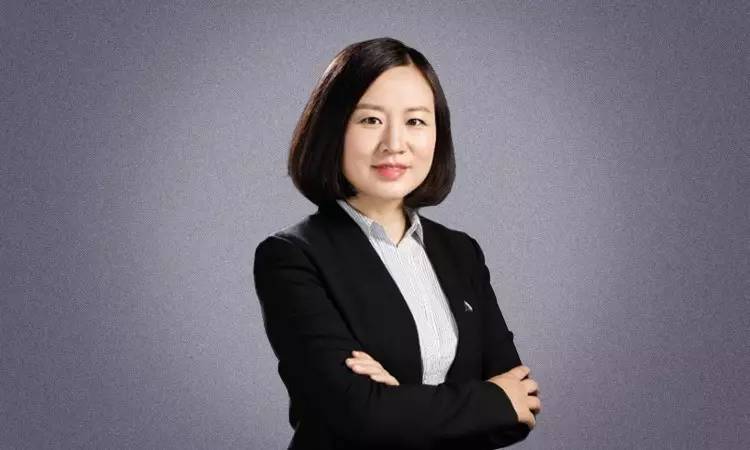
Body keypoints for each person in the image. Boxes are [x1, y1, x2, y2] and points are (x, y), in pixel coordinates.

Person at [253, 37, 541, 450]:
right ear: (333, 129)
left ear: (437, 134)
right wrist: (489, 401)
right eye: (370, 120)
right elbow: (359, 416)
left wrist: (396, 403)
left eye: (416, 121)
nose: (394, 143)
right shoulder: (292, 256)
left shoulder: (461, 252)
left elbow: (522, 404)